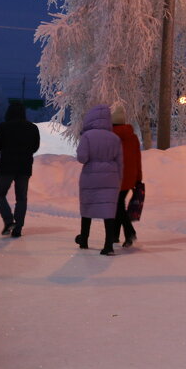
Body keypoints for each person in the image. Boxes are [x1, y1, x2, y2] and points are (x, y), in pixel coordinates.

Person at [74, 104, 123, 256]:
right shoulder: (115, 138)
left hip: (91, 177)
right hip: (111, 178)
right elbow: (120, 162)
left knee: (87, 208)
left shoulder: (87, 136)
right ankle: (108, 246)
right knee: (108, 211)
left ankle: (84, 240)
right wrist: (118, 180)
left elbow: (82, 158)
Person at [0, 102, 40, 238]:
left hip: (6, 167)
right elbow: (35, 147)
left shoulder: (4, 127)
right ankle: (18, 229)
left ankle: (9, 221)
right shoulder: (32, 128)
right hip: (24, 167)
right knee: (21, 198)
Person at [110, 103, 142, 248]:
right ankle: (115, 235)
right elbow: (137, 158)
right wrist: (138, 178)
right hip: (130, 177)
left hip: (115, 176)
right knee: (119, 204)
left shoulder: (109, 136)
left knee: (117, 206)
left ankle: (130, 232)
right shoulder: (132, 137)